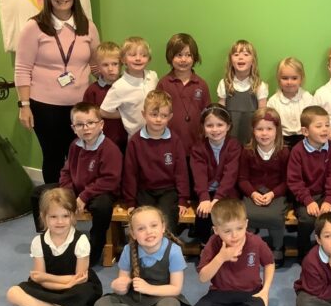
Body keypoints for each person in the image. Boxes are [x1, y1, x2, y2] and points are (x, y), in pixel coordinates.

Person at [15, 0, 100, 183]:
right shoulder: (33, 27)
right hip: (45, 107)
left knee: (80, 155)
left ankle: (77, 204)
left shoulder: (87, 26)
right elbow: (22, 68)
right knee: (53, 157)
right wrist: (24, 105)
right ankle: (54, 204)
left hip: (80, 106)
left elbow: (97, 63)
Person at [30, 102, 122, 266]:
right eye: (80, 124)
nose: (86, 128)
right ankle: (49, 236)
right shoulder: (75, 146)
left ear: (101, 125)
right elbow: (66, 171)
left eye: (90, 123)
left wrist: (84, 197)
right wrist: (69, 194)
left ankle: (93, 250)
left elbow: (109, 180)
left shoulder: (109, 149)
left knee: (102, 207)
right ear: (73, 128)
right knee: (38, 194)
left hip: (100, 192)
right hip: (77, 190)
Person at [82, 206, 191, 306]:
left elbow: (175, 289)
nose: (148, 232)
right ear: (133, 234)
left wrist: (149, 288)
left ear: (163, 227)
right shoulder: (129, 250)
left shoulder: (174, 251)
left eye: (153, 225)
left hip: (162, 297)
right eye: (141, 228)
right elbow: (122, 283)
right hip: (135, 297)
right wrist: (118, 285)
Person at [7, 188, 102, 306]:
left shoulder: (81, 241)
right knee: (13, 292)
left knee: (84, 293)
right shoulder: (38, 242)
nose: (60, 222)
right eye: (53, 217)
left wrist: (52, 279)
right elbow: (39, 280)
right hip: (50, 285)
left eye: (65, 216)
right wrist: (63, 283)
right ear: (43, 216)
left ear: (73, 216)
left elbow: (80, 278)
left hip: (75, 287)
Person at [187, 199, 277, 306]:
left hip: (250, 292)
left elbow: (269, 263)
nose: (234, 235)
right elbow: (203, 278)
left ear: (246, 224)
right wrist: (221, 257)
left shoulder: (255, 242)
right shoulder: (212, 243)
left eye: (239, 228)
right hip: (220, 293)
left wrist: (265, 291)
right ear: (216, 230)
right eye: (227, 231)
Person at [122, 90, 189, 234]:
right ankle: (145, 252)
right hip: (144, 190)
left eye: (163, 116)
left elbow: (181, 172)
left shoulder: (175, 141)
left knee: (166, 221)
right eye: (154, 114)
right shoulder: (135, 141)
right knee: (146, 221)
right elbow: (130, 173)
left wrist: (183, 199)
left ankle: (166, 251)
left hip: (168, 191)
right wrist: (130, 201)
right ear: (144, 114)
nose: (158, 119)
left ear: (170, 117)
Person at [287, 105, 331, 261]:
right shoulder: (297, 151)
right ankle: (304, 255)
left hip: (326, 196)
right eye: (318, 126)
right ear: (305, 131)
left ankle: (330, 252)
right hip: (305, 197)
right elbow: (295, 181)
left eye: (327, 125)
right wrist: (308, 201)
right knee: (306, 219)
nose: (324, 129)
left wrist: (329, 199)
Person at [238, 108, 290, 267]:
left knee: (274, 216)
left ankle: (278, 246)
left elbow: (288, 181)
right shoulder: (247, 152)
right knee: (246, 214)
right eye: (259, 129)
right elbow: (242, 179)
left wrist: (273, 194)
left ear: (277, 130)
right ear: (253, 131)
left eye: (269, 129)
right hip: (254, 191)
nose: (264, 133)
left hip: (276, 193)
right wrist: (253, 193)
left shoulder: (284, 152)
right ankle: (249, 244)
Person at [190, 104, 242, 242]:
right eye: (210, 125)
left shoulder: (234, 146)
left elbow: (230, 175)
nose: (215, 130)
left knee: (227, 216)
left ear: (228, 126)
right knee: (203, 215)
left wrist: (217, 198)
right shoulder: (198, 148)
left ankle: (227, 244)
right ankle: (205, 246)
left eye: (220, 125)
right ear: (203, 127)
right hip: (206, 192)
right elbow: (199, 176)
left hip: (227, 191)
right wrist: (204, 198)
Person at [156, 32, 212, 154]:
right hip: (169, 145)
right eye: (179, 55)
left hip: (197, 147)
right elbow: (157, 114)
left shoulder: (201, 85)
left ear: (194, 57)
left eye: (188, 55)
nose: (183, 59)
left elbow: (208, 115)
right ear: (170, 57)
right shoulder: (163, 83)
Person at [100, 36, 159, 137]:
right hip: (136, 137)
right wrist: (124, 114)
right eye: (132, 55)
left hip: (158, 132)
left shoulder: (153, 76)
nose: (138, 58)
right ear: (123, 59)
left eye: (143, 55)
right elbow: (104, 111)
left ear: (149, 59)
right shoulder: (119, 86)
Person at [217, 39, 268, 145]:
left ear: (253, 60)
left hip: (251, 138)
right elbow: (220, 114)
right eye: (236, 54)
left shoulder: (259, 86)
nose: (240, 57)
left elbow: (262, 115)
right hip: (229, 137)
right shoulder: (224, 84)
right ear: (231, 60)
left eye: (246, 54)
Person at [82, 41, 127, 154]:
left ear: (121, 64)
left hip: (128, 139)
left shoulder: (128, 86)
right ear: (98, 67)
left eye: (115, 64)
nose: (110, 69)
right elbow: (87, 116)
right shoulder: (93, 91)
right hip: (103, 141)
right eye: (105, 65)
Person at [266, 57, 315, 148]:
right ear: (278, 79)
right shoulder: (273, 102)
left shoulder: (308, 98)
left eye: (294, 78)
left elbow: (314, 121)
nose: (289, 82)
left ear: (301, 79)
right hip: (282, 141)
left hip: (305, 140)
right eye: (285, 78)